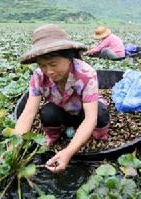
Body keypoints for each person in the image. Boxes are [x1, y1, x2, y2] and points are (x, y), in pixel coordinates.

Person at [14, 24, 110, 173]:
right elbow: (28, 113)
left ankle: (97, 136)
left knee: (100, 112)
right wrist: (13, 147)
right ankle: (53, 137)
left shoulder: (86, 74)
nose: (49, 71)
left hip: (85, 112)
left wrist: (68, 151)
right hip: (63, 111)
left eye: (53, 64)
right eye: (42, 65)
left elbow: (90, 118)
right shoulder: (38, 77)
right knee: (47, 112)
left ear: (69, 57)